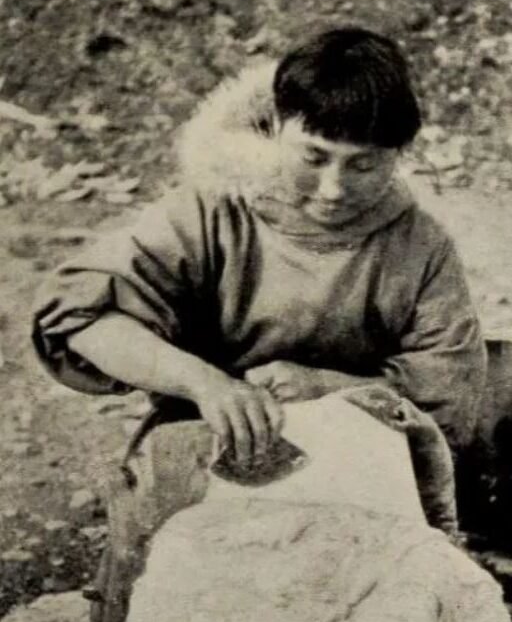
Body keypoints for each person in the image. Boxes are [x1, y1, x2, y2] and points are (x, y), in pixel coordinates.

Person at [32, 27, 486, 473]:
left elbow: (451, 391)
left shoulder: (422, 245)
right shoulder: (210, 211)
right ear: (276, 128)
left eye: (364, 166)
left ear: (397, 154)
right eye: (313, 158)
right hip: (209, 441)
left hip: (366, 453)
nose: (333, 189)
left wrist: (336, 390)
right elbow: (77, 315)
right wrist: (207, 385)